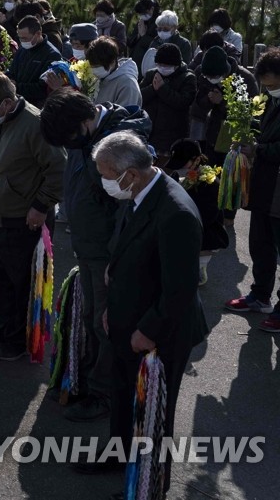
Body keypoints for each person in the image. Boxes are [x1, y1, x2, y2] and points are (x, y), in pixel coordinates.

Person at [81, 131, 207, 496]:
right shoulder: (139, 193)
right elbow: (126, 243)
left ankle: (151, 484)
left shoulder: (176, 213)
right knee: (123, 395)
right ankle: (120, 455)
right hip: (127, 319)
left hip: (159, 333)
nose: (105, 182)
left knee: (153, 412)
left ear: (130, 174)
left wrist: (149, 330)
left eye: (107, 175)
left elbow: (180, 290)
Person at [39, 89, 151, 422]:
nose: (68, 146)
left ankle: (105, 394)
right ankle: (86, 380)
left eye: (69, 139)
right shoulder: (83, 137)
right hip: (88, 248)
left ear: (86, 122)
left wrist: (115, 261)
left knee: (107, 323)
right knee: (90, 318)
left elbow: (125, 212)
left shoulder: (118, 146)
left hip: (106, 255)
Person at [0, 71, 65, 361]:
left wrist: (41, 205)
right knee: (2, 279)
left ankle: (18, 340)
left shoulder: (35, 124)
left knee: (22, 282)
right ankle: (4, 327)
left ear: (7, 103)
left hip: (24, 218)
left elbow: (57, 170)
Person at [225, 49, 280, 331]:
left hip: (277, 189)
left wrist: (258, 149)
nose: (267, 89)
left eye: (271, 83)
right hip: (265, 187)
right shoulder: (271, 101)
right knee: (260, 244)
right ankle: (260, 295)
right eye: (265, 85)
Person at [164, 139, 229, 286]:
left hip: (204, 229)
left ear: (197, 159)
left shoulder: (210, 182)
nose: (180, 168)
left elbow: (206, 217)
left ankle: (199, 266)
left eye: (183, 162)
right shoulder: (177, 175)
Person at [190, 43, 257, 162]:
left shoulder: (246, 79)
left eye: (214, 76)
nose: (211, 79)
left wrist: (223, 101)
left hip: (235, 141)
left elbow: (250, 112)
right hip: (212, 136)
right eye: (208, 76)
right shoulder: (203, 75)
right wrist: (209, 99)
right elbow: (197, 105)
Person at [140, 43, 197, 163]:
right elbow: (139, 96)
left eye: (166, 65)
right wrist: (153, 88)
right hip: (150, 132)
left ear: (175, 65)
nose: (162, 68)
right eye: (159, 65)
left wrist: (162, 88)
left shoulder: (188, 78)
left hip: (173, 134)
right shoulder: (151, 75)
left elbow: (183, 102)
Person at [12, 15, 63, 108]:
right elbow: (12, 71)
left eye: (25, 38)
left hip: (34, 106)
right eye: (20, 38)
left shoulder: (52, 55)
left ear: (38, 34)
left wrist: (16, 87)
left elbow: (43, 88)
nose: (22, 41)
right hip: (16, 101)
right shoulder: (22, 49)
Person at [86, 36, 142, 110]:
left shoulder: (128, 84)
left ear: (112, 62)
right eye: (92, 67)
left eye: (97, 67)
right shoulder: (100, 77)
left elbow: (124, 117)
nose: (94, 70)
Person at [140, 10, 192, 76]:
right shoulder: (155, 41)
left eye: (165, 29)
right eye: (159, 29)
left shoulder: (184, 43)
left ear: (175, 27)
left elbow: (184, 66)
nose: (162, 31)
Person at [127, 0, 160, 65]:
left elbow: (157, 45)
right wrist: (138, 36)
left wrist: (144, 36)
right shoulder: (142, 22)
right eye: (140, 14)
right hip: (135, 60)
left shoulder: (159, 23)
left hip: (147, 62)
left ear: (152, 9)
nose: (142, 16)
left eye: (144, 13)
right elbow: (130, 42)